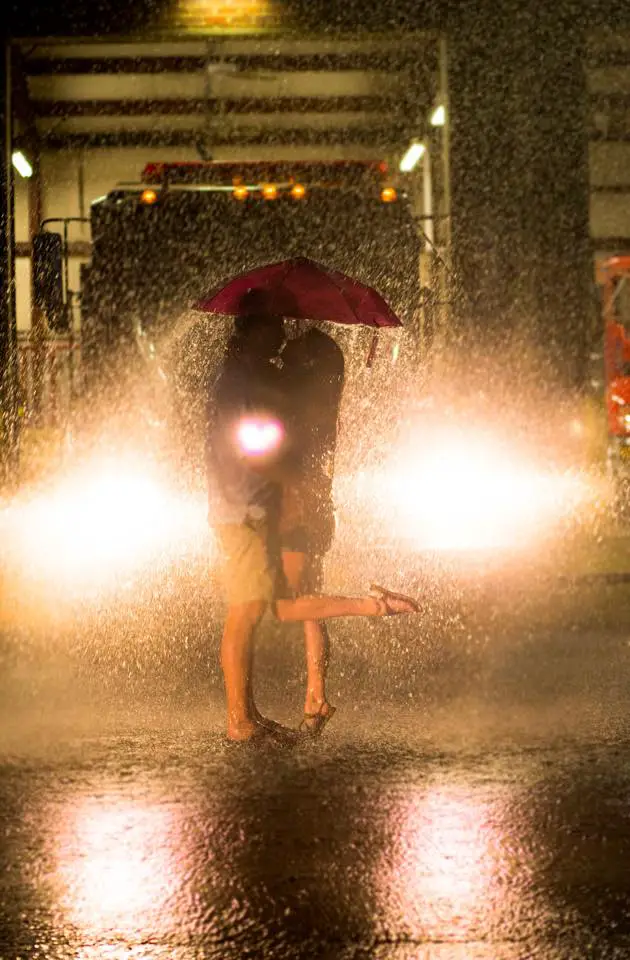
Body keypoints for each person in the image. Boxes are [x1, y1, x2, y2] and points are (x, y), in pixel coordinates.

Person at [206, 301, 420, 745]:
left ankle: (250, 714)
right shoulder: (251, 383)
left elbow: (256, 442)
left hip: (260, 506)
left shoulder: (260, 382)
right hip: (248, 507)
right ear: (255, 332)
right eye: (276, 327)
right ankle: (247, 717)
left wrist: (283, 469)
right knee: (259, 609)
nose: (283, 336)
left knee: (266, 607)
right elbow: (250, 443)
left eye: (286, 332)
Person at [279, 328, 345, 737]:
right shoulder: (329, 357)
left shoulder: (309, 370)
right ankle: (316, 695)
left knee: (291, 601)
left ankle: (372, 606)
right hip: (315, 496)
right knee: (309, 598)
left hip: (299, 500)